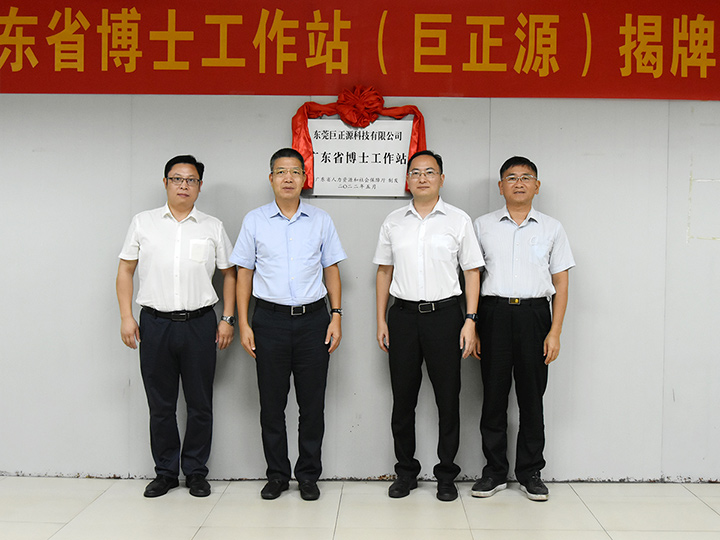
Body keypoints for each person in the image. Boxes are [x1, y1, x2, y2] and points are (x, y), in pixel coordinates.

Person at [116, 155, 236, 498]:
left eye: (191, 179)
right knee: (161, 405)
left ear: (200, 185)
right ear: (165, 182)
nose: (184, 185)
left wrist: (227, 318)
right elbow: (125, 270)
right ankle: (165, 472)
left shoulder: (212, 226)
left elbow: (230, 274)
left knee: (200, 403)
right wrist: (126, 316)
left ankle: (196, 472)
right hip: (155, 324)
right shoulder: (144, 223)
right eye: (177, 178)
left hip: (200, 324)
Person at [231, 147, 346, 501]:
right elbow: (244, 274)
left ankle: (308, 475)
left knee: (312, 406)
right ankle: (277, 475)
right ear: (271, 178)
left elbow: (331, 269)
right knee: (272, 405)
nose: (288, 178)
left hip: (314, 321)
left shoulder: (321, 220)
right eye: (281, 172)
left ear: (304, 178)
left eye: (295, 171)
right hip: (269, 321)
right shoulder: (254, 221)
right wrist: (244, 323)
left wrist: (337, 315)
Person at [374, 150, 484, 502]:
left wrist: (470, 320)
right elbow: (384, 271)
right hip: (403, 317)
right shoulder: (394, 221)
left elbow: (472, 272)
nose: (422, 178)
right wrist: (381, 318)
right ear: (407, 179)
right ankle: (405, 472)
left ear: (441, 179)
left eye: (430, 172)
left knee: (447, 399)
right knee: (402, 400)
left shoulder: (458, 220)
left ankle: (446, 475)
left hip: (446, 317)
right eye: (416, 172)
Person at [472, 156, 575, 501]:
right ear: (500, 186)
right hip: (493, 315)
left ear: (537, 186)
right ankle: (494, 472)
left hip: (535, 316)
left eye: (526, 177)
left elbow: (561, 282)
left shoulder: (552, 228)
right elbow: (471, 278)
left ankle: (530, 472)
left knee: (532, 398)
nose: (519, 183)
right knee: (493, 397)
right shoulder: (482, 226)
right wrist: (474, 325)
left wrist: (555, 331)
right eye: (512, 177)